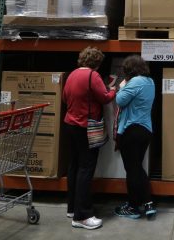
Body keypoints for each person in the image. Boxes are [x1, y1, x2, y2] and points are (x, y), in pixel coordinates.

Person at [63, 47, 116, 230]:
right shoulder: (93, 76)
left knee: (74, 166)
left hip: (70, 124)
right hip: (85, 127)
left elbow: (65, 97)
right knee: (86, 168)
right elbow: (105, 97)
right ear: (98, 63)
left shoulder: (72, 75)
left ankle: (72, 207)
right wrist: (114, 89)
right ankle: (82, 216)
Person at [114, 55, 156, 219]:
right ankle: (147, 203)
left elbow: (120, 100)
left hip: (132, 130)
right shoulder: (150, 82)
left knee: (132, 170)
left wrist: (122, 85)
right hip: (145, 130)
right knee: (137, 167)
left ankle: (133, 207)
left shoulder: (135, 82)